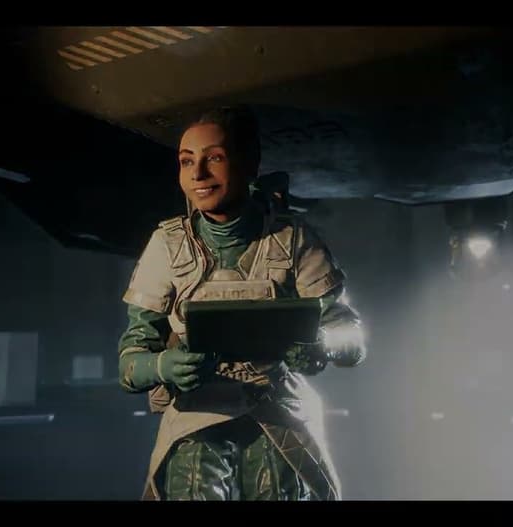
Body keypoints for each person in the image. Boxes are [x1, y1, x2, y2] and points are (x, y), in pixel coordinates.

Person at [116, 106, 366, 501]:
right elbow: (130, 363)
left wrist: (322, 346)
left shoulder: (293, 239)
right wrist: (163, 366)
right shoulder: (168, 246)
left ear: (249, 164)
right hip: (196, 414)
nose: (198, 174)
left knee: (280, 485)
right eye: (187, 161)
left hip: (277, 407)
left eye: (214, 158)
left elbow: (350, 335)